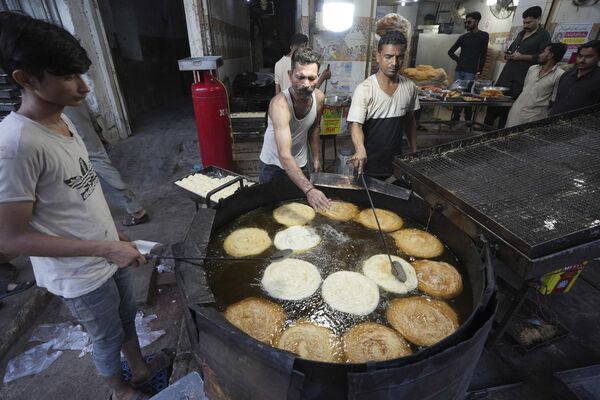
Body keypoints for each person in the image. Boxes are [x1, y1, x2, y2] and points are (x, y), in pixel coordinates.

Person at [0, 12, 172, 400]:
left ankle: (141, 369)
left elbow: (80, 191)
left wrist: (112, 234)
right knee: (106, 335)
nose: (84, 87)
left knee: (127, 318)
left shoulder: (64, 120)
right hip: (78, 272)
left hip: (106, 251)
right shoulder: (15, 145)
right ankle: (118, 390)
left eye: (82, 74)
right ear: (25, 79)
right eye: (67, 77)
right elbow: (11, 237)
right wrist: (103, 246)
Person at [259, 47, 331, 211]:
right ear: (290, 75)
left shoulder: (319, 98)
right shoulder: (280, 105)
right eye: (300, 77)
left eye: (311, 78)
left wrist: (316, 158)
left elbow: (315, 128)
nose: (305, 84)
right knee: (270, 213)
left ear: (318, 77)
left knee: (301, 210)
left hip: (301, 163)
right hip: (273, 165)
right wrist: (310, 189)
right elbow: (284, 154)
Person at [347, 30, 419, 179]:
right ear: (378, 57)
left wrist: (414, 150)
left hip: (396, 162)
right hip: (368, 164)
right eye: (388, 57)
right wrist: (360, 149)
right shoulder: (365, 89)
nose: (394, 63)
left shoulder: (410, 87)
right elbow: (356, 125)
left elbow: (410, 120)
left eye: (399, 57)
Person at [64, 103, 150, 226]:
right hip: (81, 128)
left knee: (98, 165)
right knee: (94, 164)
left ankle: (136, 211)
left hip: (76, 132)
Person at [484, 6, 551, 129]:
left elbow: (542, 58)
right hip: (506, 74)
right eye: (524, 22)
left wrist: (522, 57)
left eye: (529, 22)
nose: (525, 25)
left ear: (538, 19)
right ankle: (484, 129)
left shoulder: (543, 35)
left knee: (508, 108)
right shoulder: (521, 33)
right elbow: (512, 49)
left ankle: (500, 134)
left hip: (520, 77)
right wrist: (507, 54)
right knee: (494, 101)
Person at [506, 43, 567, 127]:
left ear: (550, 55)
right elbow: (525, 89)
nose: (539, 55)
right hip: (516, 113)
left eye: (543, 52)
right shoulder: (533, 69)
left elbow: (554, 100)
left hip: (535, 119)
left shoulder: (559, 75)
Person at [447, 11, 489, 122]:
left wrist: (479, 70)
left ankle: (468, 120)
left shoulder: (483, 36)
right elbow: (450, 52)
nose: (467, 24)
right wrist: (459, 61)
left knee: (469, 96)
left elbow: (483, 54)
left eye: (469, 22)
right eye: (466, 22)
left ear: (476, 21)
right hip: (459, 70)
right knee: (457, 95)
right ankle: (455, 119)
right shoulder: (463, 37)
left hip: (471, 71)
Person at [550, 40, 600, 115]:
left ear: (598, 58)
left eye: (589, 56)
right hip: (553, 122)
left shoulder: (597, 80)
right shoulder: (566, 75)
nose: (582, 60)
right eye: (580, 56)